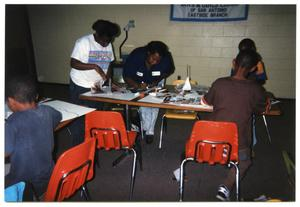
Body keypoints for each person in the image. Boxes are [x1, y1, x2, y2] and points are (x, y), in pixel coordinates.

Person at [201, 50, 268, 201]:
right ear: (252, 69)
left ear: (233, 63)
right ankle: (225, 187)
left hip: (210, 140)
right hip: (239, 142)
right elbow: (261, 109)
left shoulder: (219, 83)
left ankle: (220, 154)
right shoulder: (256, 89)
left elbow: (205, 102)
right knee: (245, 161)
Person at [5, 75, 62, 198]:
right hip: (50, 177)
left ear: (11, 101)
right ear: (36, 97)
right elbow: (58, 117)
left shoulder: (12, 121)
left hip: (24, 184)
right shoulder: (48, 111)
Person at [69, 19, 120, 145]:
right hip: (80, 84)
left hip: (97, 86)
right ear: (96, 34)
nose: (105, 44)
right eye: (103, 41)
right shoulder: (84, 42)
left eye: (108, 41)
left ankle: (91, 143)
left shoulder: (107, 44)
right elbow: (73, 63)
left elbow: (109, 64)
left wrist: (108, 80)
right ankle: (78, 146)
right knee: (79, 117)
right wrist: (94, 66)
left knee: (94, 115)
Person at [123, 41, 175, 144]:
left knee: (154, 105)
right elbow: (127, 75)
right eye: (153, 59)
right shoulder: (136, 55)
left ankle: (149, 131)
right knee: (144, 104)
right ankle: (144, 126)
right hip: (137, 82)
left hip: (156, 81)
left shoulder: (166, 58)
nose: (155, 62)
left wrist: (157, 81)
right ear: (147, 53)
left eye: (158, 61)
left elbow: (170, 70)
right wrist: (137, 86)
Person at [231, 38, 268, 147]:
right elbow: (233, 76)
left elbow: (262, 80)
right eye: (241, 51)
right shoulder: (238, 59)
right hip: (239, 89)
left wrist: (257, 73)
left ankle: (251, 143)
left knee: (248, 117)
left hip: (251, 90)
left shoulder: (258, 61)